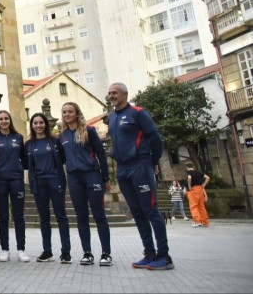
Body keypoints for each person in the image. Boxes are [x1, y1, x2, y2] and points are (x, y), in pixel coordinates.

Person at [107, 82, 173, 270]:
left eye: (115, 93)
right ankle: (149, 253)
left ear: (125, 94)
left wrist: (153, 161)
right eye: (110, 93)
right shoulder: (112, 117)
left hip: (140, 165)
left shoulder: (137, 113)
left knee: (151, 210)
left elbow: (155, 138)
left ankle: (164, 256)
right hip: (123, 168)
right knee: (136, 212)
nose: (112, 96)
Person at [60, 102, 112, 267]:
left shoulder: (89, 131)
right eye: (64, 112)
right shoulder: (63, 135)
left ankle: (106, 253)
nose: (67, 114)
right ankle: (87, 253)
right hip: (74, 178)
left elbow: (101, 153)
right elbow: (61, 158)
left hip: (92, 175)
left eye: (70, 111)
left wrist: (106, 178)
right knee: (81, 217)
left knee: (99, 215)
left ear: (77, 113)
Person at [26, 112, 71, 264]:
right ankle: (47, 251)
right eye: (35, 123)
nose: (38, 125)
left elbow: (63, 159)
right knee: (44, 218)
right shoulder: (29, 144)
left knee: (61, 217)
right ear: (32, 125)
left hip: (55, 182)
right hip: (39, 184)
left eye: (41, 122)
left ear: (46, 124)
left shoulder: (55, 141)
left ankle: (66, 253)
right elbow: (27, 164)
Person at [0, 109, 30, 263]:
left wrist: (19, 168)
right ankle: (4, 249)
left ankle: (21, 249)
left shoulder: (18, 138)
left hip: (16, 180)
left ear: (10, 120)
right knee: (3, 217)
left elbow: (24, 158)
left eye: (6, 118)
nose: (4, 121)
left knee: (19, 216)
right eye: (1, 119)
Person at [186, 162, 210, 228]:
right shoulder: (198, 172)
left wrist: (189, 186)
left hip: (194, 190)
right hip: (200, 189)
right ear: (193, 166)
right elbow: (208, 178)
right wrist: (203, 185)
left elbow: (189, 178)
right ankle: (205, 222)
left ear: (187, 167)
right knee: (201, 206)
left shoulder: (189, 172)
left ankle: (197, 221)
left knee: (193, 206)